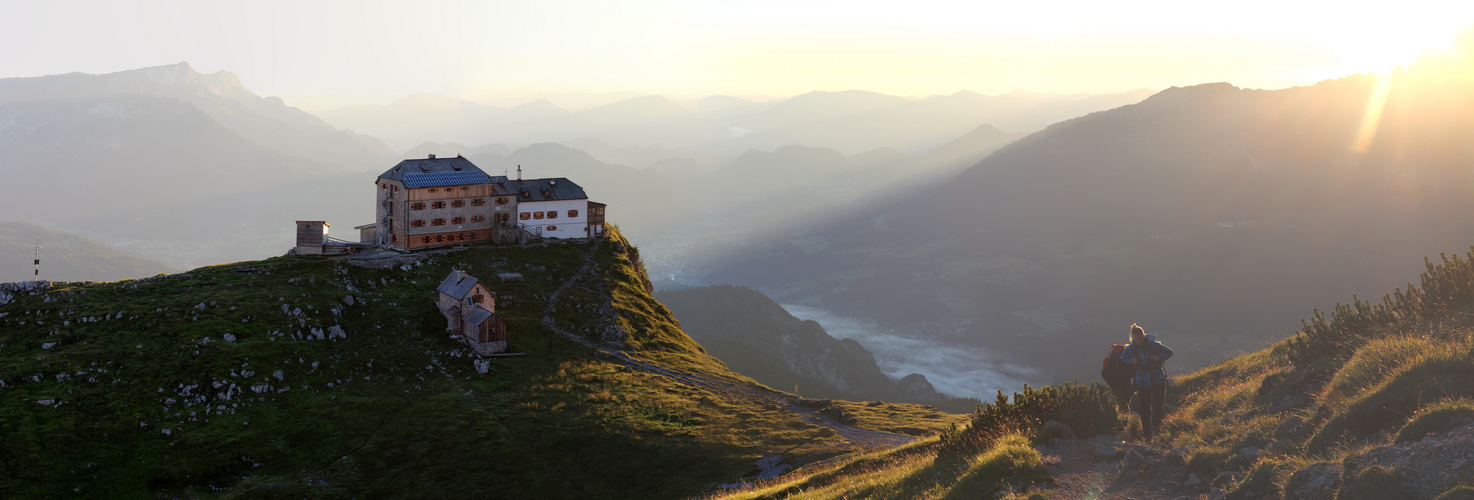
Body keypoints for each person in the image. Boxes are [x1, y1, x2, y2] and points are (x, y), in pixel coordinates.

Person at [1121, 323, 1173, 443]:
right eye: (1136, 339)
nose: (1138, 341)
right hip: (1142, 381)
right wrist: (1131, 360)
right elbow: (1123, 358)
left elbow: (1170, 352)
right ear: (1132, 338)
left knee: (1157, 407)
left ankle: (1157, 430)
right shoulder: (1131, 348)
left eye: (1140, 338)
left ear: (1144, 335)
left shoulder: (1153, 345)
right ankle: (1148, 436)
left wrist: (1158, 357)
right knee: (1145, 409)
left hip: (1157, 379)